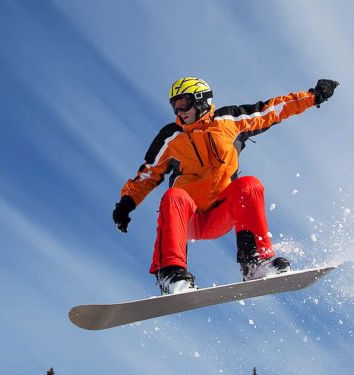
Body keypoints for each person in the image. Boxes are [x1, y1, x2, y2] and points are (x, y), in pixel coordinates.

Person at [113, 77, 339, 294]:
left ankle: (255, 263)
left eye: (183, 104)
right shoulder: (171, 137)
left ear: (201, 100)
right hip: (188, 218)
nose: (179, 112)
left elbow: (271, 110)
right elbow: (148, 173)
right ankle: (170, 273)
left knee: (249, 185)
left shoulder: (229, 120)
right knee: (174, 195)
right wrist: (126, 203)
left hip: (220, 214)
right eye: (175, 106)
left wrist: (313, 96)